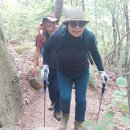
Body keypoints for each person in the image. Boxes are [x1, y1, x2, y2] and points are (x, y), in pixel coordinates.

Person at [42, 7, 109, 130]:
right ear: (67, 24)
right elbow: (46, 48)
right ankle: (64, 118)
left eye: (81, 23)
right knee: (65, 97)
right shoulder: (59, 35)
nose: (77, 27)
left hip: (82, 73)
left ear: (84, 24)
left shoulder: (88, 36)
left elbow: (95, 53)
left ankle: (78, 123)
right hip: (63, 72)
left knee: (81, 99)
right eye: (73, 23)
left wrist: (102, 71)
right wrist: (45, 65)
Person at [32, 13, 61, 121]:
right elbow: (37, 50)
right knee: (50, 87)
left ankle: (58, 110)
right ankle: (54, 101)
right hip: (47, 66)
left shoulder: (60, 33)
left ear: (55, 23)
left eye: (51, 22)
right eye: (46, 21)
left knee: (58, 88)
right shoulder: (41, 35)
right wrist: (36, 66)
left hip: (60, 65)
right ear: (43, 24)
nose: (49, 24)